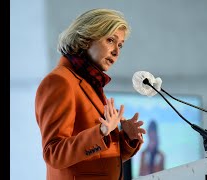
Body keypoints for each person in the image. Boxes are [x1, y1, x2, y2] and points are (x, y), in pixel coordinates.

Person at [35, 8, 146, 180]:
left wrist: (126, 139)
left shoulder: (90, 84)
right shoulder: (60, 81)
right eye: (110, 40)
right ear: (86, 39)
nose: (116, 52)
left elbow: (95, 160)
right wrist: (100, 132)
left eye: (120, 45)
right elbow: (53, 153)